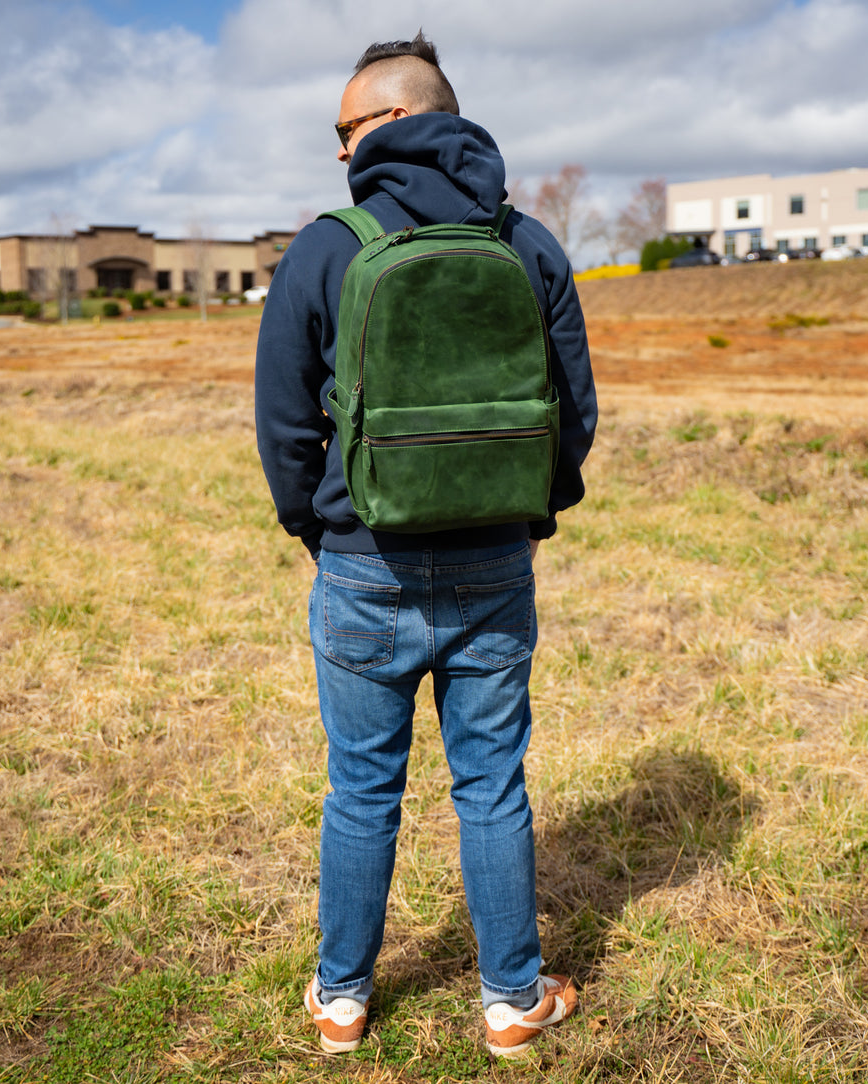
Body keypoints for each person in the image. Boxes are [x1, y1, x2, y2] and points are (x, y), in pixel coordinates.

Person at [253, 32, 597, 1059]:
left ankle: (343, 1000)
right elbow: (569, 412)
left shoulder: (327, 243)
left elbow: (282, 422)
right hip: (495, 560)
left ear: (396, 120)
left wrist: (316, 528)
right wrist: (529, 514)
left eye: (346, 129)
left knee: (361, 785)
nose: (340, 149)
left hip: (364, 562)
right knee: (490, 782)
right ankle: (510, 1000)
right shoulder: (523, 241)